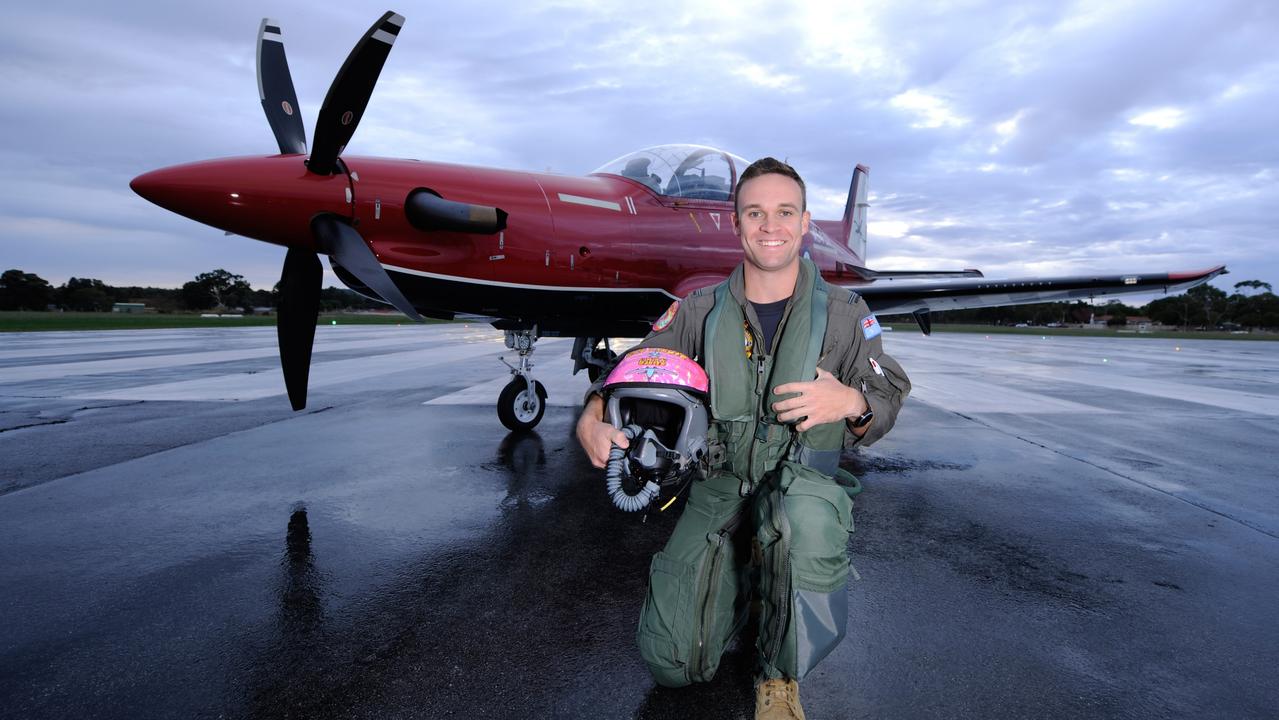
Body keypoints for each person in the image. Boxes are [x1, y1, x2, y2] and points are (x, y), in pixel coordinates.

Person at [576, 157, 910, 720]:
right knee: (671, 663)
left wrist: (851, 403)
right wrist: (591, 414)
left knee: (800, 519)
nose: (770, 225)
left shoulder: (847, 315)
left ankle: (779, 675)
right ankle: (749, 585)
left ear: (805, 223)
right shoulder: (700, 309)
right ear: (736, 223)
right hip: (721, 488)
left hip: (801, 488)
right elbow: (634, 368)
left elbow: (890, 391)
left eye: (785, 212)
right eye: (755, 212)